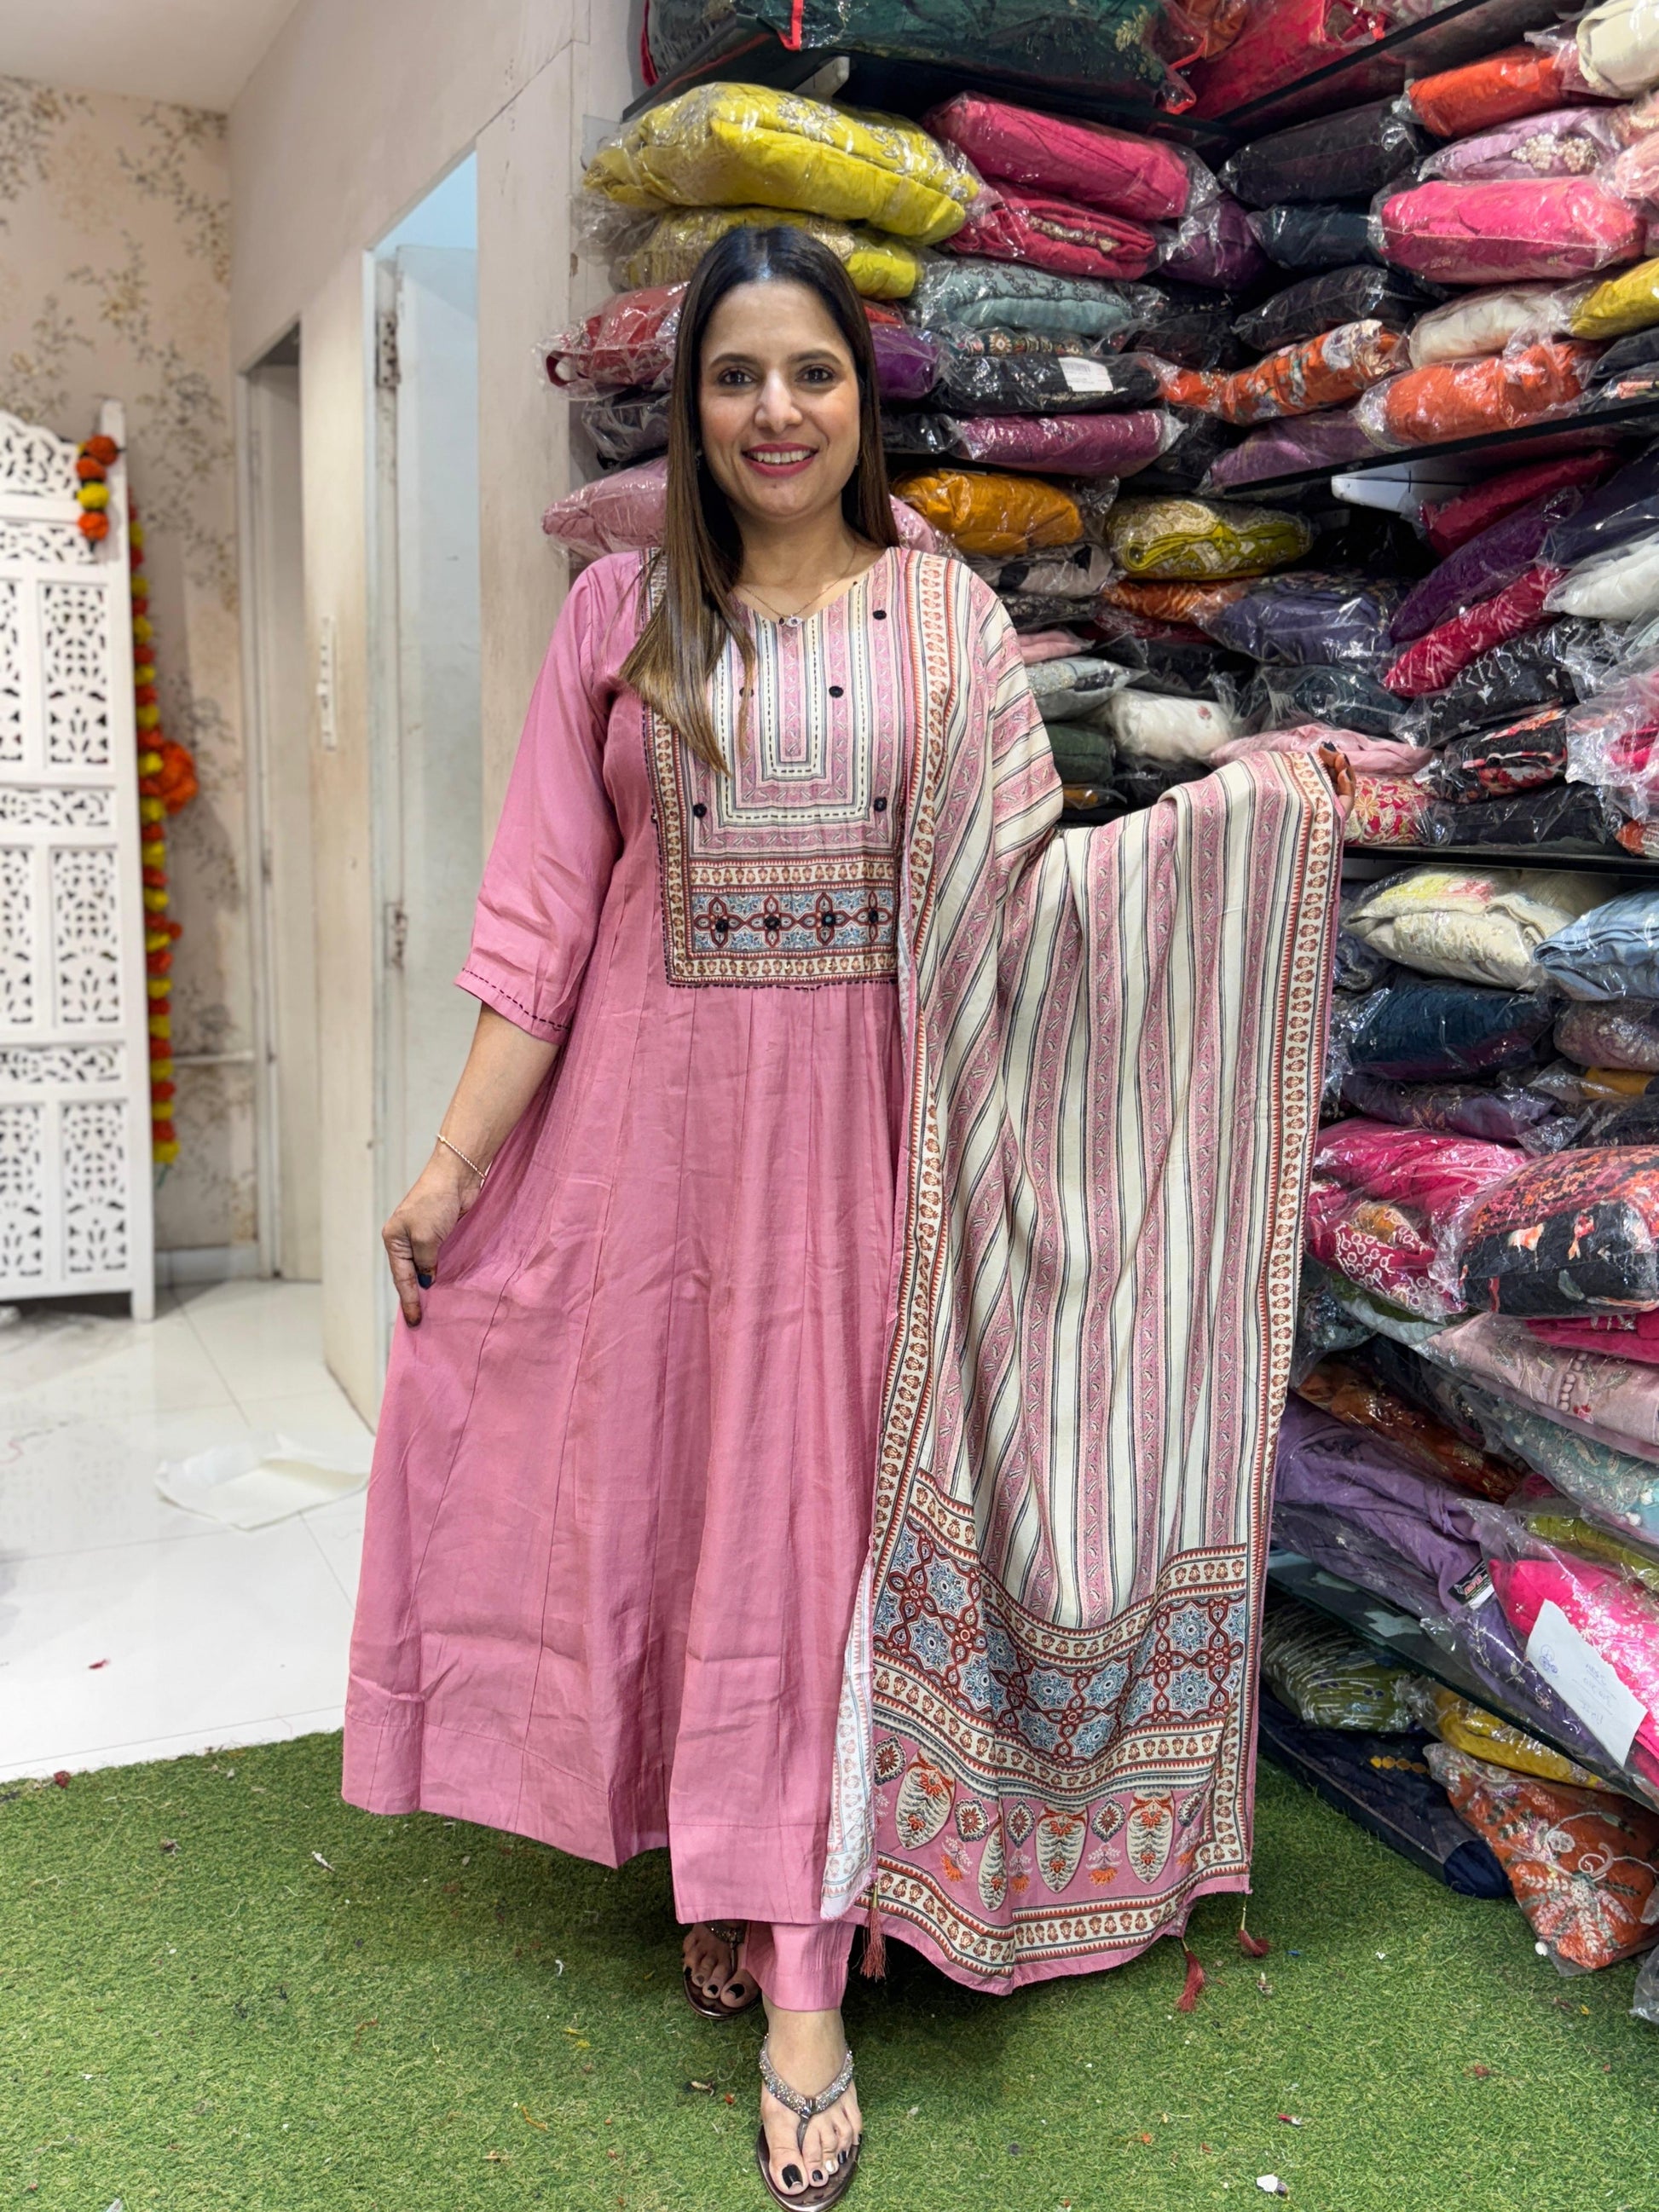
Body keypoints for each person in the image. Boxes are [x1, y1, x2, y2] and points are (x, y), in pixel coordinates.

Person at [344, 226, 1349, 2209]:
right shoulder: (618, 616)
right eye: (735, 376)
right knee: (686, 1514)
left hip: (874, 1160)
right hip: (650, 1158)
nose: (774, 410)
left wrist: (1241, 828)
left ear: (858, 399)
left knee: (815, 1534)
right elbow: (540, 920)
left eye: (808, 371)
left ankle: (805, 1978)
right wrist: (453, 1166)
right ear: (691, 406)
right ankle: (732, 1859)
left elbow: (1024, 900)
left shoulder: (941, 616)